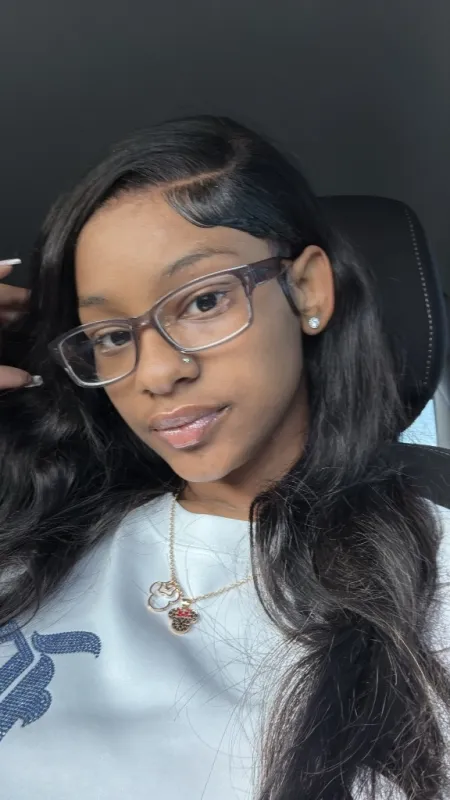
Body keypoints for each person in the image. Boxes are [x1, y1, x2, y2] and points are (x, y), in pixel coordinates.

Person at [0, 115, 449, 800]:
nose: (156, 373)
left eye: (203, 301)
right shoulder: (38, 526)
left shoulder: (434, 567)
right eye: (112, 335)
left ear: (309, 290)